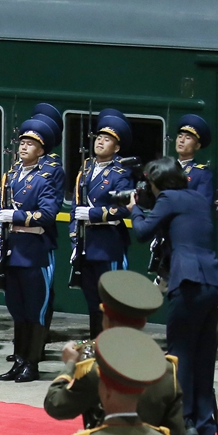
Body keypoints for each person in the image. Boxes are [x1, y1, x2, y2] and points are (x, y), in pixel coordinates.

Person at [130, 156, 218, 435]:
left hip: (188, 280)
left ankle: (183, 422)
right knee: (204, 354)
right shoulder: (197, 198)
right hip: (216, 282)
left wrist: (134, 208)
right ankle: (205, 424)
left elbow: (141, 232)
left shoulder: (169, 198)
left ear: (157, 183)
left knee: (180, 352)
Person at [44, 269, 188, 435]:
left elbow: (56, 405)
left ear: (107, 320)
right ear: (143, 322)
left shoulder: (98, 370)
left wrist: (70, 364)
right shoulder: (167, 371)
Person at [0, 117, 59, 384]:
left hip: (34, 252)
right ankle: (18, 360)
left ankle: (32, 363)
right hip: (13, 251)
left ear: (41, 151)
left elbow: (48, 214)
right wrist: (1, 245)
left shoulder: (45, 179)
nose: (23, 147)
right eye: (22, 142)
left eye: (30, 144)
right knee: (17, 310)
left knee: (35, 311)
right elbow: (0, 213)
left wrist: (16, 216)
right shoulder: (10, 176)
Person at [71, 114, 134, 338]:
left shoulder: (121, 172)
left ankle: (113, 347)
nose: (100, 141)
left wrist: (94, 214)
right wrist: (73, 239)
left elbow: (125, 208)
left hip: (108, 244)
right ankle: (95, 344)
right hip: (86, 244)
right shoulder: (86, 168)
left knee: (111, 301)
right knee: (92, 301)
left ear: (116, 148)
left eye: (107, 139)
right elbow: (76, 206)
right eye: (99, 137)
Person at [175, 114, 214, 202]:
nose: (182, 140)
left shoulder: (201, 174)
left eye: (188, 137)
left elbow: (203, 205)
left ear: (197, 146)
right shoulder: (167, 168)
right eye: (180, 136)